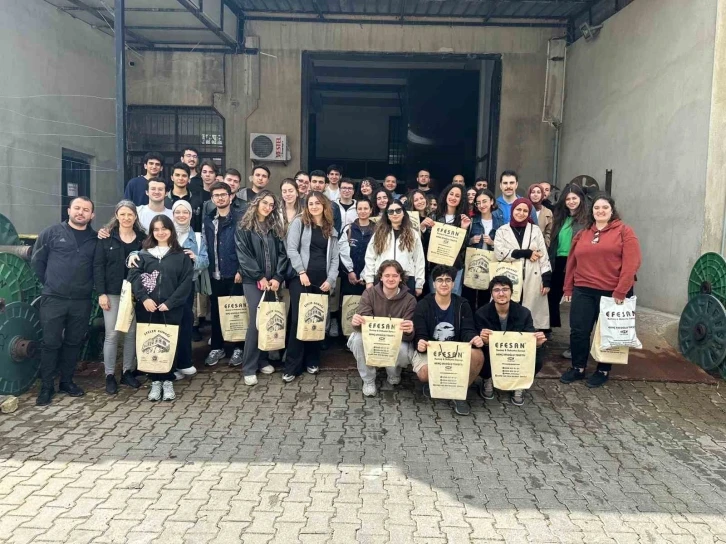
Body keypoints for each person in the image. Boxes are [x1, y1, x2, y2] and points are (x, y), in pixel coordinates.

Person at [560, 194, 641, 388]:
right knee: (579, 331)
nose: (600, 211)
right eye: (597, 208)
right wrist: (568, 287)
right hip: (583, 290)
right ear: (592, 211)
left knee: (607, 332)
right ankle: (578, 368)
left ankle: (603, 370)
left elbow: (632, 263)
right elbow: (572, 262)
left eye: (605, 207)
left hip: (612, 293)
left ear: (612, 210)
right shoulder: (583, 233)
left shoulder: (624, 231)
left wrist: (621, 291)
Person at [32, 197, 98, 406]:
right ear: (68, 210)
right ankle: (47, 387)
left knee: (73, 342)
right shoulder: (51, 234)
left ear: (92, 215)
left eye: (86, 210)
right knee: (50, 342)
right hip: (54, 298)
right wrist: (51, 284)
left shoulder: (96, 239)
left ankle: (67, 381)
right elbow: (37, 262)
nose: (81, 212)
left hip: (81, 300)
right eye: (77, 208)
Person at [128, 215, 194, 402]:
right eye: (156, 229)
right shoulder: (143, 255)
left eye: (164, 228)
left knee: (169, 342)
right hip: (147, 307)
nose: (160, 232)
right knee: (150, 343)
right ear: (152, 232)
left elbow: (185, 282)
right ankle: (155, 382)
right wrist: (144, 299)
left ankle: (168, 380)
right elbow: (134, 277)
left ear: (171, 230)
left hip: (171, 308)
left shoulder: (181, 256)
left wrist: (170, 303)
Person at [412, 264, 485, 416]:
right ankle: (435, 384)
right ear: (433, 284)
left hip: (454, 352)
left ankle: (459, 394)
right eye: (439, 280)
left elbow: (467, 329)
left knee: (478, 355)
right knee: (424, 374)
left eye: (448, 280)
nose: (444, 283)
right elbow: (420, 333)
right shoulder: (423, 305)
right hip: (432, 352)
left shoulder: (462, 304)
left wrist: (473, 338)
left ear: (453, 283)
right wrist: (420, 342)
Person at [235, 190, 290, 385]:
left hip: (272, 281)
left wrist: (277, 276)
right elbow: (243, 255)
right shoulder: (245, 227)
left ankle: (262, 360)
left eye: (271, 205)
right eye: (264, 203)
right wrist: (259, 276)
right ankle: (249, 367)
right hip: (253, 281)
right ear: (256, 203)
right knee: (255, 323)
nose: (268, 207)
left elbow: (283, 253)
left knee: (268, 319)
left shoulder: (275, 227)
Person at [284, 191, 339, 381]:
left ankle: (312, 360)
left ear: (324, 205)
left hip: (321, 281)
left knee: (315, 320)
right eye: (310, 203)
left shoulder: (331, 229)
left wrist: (330, 280)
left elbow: (334, 258)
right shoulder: (299, 222)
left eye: (317, 203)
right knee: (299, 320)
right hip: (300, 279)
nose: (314, 206)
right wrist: (301, 272)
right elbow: (291, 249)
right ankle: (292, 366)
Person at [93, 200, 145, 395]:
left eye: (130, 214)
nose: (126, 218)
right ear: (116, 215)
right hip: (113, 293)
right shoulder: (106, 238)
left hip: (134, 293)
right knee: (112, 334)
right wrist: (101, 294)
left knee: (131, 333)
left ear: (135, 217)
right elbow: (98, 266)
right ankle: (109, 375)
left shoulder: (142, 238)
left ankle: (127, 372)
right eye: (122, 214)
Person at [348, 260, 417, 397]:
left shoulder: (410, 300)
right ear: (380, 277)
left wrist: (410, 331)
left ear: (401, 278)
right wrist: (356, 322)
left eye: (395, 276)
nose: (391, 279)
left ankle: (393, 371)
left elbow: (409, 335)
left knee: (404, 350)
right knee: (357, 340)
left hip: (396, 340)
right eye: (387, 275)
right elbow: (362, 326)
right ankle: (368, 380)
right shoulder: (369, 294)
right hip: (373, 338)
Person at [476, 275, 547, 406]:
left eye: (505, 289)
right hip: (492, 354)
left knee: (537, 355)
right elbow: (478, 340)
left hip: (515, 355)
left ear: (511, 292)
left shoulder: (524, 312)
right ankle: (487, 379)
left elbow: (528, 338)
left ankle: (519, 383)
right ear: (491, 293)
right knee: (478, 352)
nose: (501, 293)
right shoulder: (482, 313)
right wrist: (483, 340)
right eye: (496, 290)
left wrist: (536, 344)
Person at [203, 182, 245, 368]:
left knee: (238, 311)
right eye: (216, 195)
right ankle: (218, 347)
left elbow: (245, 247)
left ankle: (238, 348)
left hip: (235, 273)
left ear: (230, 196)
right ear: (212, 199)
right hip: (215, 273)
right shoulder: (208, 220)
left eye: (223, 194)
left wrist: (241, 270)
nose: (220, 198)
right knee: (217, 311)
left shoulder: (240, 219)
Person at [493, 198, 552, 330]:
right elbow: (499, 253)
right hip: (509, 276)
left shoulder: (535, 230)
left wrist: (546, 280)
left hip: (533, 277)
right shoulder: (502, 231)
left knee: (530, 314)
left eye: (525, 211)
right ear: (513, 210)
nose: (521, 213)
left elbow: (543, 256)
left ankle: (530, 343)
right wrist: (526, 253)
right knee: (508, 311)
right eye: (518, 209)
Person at [171, 200, 208, 380]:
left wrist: (195, 258)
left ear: (190, 215)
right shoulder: (163, 234)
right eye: (177, 212)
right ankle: (169, 365)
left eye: (185, 212)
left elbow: (205, 260)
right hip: (167, 287)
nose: (181, 215)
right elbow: (146, 251)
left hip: (187, 286)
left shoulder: (198, 237)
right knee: (170, 325)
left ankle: (184, 362)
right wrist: (132, 255)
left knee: (185, 324)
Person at [547, 184, 589, 347]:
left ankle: (576, 343)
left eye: (574, 198)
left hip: (577, 263)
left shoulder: (587, 220)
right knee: (552, 297)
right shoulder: (559, 217)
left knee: (578, 304)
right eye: (568, 199)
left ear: (581, 199)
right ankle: (547, 330)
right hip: (558, 261)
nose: (571, 202)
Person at [363, 200, 425, 295]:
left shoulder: (413, 234)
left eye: (398, 210)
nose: (395, 214)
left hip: (407, 279)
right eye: (391, 211)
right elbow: (370, 257)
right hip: (383, 278)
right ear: (387, 215)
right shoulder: (379, 234)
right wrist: (369, 280)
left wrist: (419, 284)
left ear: (404, 213)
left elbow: (419, 259)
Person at [433, 183, 472, 295]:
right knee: (435, 296)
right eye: (451, 194)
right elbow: (427, 242)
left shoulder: (464, 219)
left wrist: (464, 229)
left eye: (457, 196)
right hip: (436, 265)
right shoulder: (434, 216)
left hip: (455, 266)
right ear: (446, 195)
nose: (453, 197)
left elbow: (464, 246)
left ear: (461, 200)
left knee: (454, 297)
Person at [339, 198, 374, 298]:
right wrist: (350, 271)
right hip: (349, 277)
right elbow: (342, 252)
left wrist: (365, 275)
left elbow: (378, 255)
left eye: (366, 208)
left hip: (369, 278)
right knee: (348, 309)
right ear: (356, 210)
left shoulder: (377, 230)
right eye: (360, 209)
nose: (363, 211)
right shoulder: (348, 229)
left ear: (371, 210)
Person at [164, 162, 204, 232]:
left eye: (184, 176)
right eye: (177, 175)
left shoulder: (197, 201)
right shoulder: (164, 201)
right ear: (172, 178)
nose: (180, 178)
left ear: (189, 179)